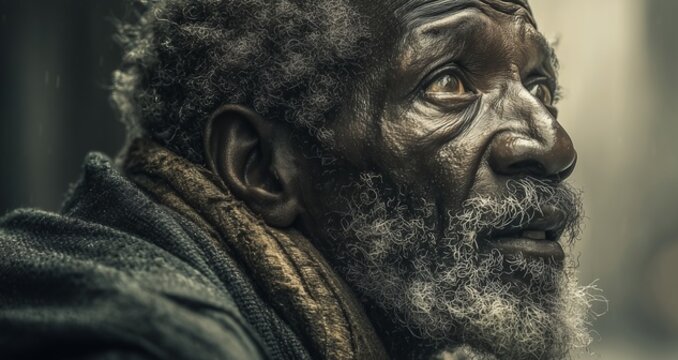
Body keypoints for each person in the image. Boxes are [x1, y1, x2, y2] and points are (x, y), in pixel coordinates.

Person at [0, 0, 599, 358]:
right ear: (260, 167)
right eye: (448, 84)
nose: (552, 144)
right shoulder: (151, 332)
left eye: (540, 87)